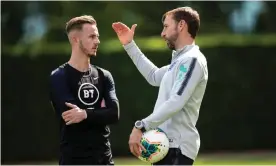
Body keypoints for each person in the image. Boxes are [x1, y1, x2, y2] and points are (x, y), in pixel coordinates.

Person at [112, 7, 208, 165]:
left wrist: (141, 125)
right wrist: (129, 45)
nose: (162, 33)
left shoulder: (192, 60)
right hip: (166, 148)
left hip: (177, 148)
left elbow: (177, 100)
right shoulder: (180, 60)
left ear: (181, 25)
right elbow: (153, 76)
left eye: (166, 26)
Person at [49, 15, 120, 165]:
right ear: (75, 39)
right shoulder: (59, 76)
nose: (97, 41)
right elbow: (71, 117)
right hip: (73, 160)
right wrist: (100, 112)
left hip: (104, 160)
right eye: (92, 36)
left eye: (97, 37)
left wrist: (85, 113)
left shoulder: (104, 75)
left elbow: (114, 113)